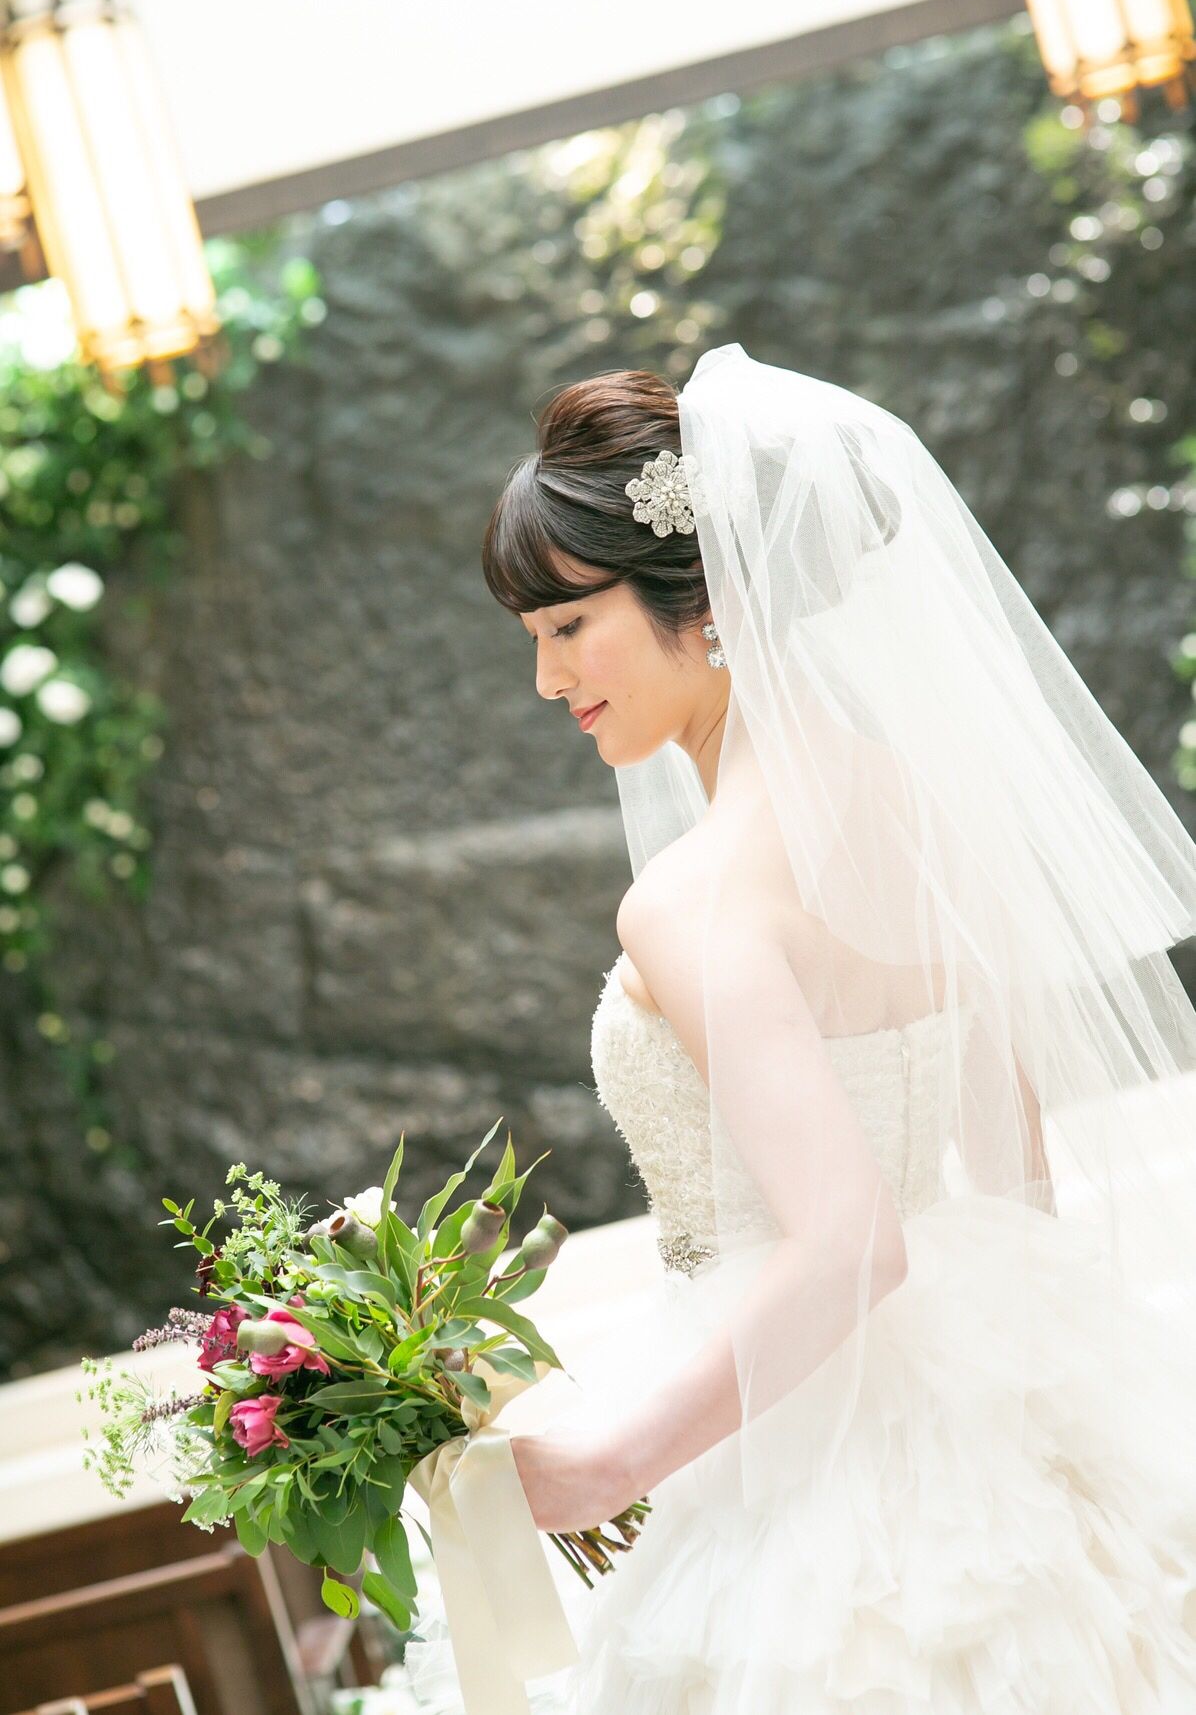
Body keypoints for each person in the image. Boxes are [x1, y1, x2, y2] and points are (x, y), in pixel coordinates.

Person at [411, 343, 1196, 1712]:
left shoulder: (694, 897)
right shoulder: (937, 812)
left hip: (796, 1466)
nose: (546, 679)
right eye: (533, 638)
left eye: (568, 627)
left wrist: (606, 1466)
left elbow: (849, 1244)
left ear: (704, 600)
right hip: (992, 1410)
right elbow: (1012, 1181)